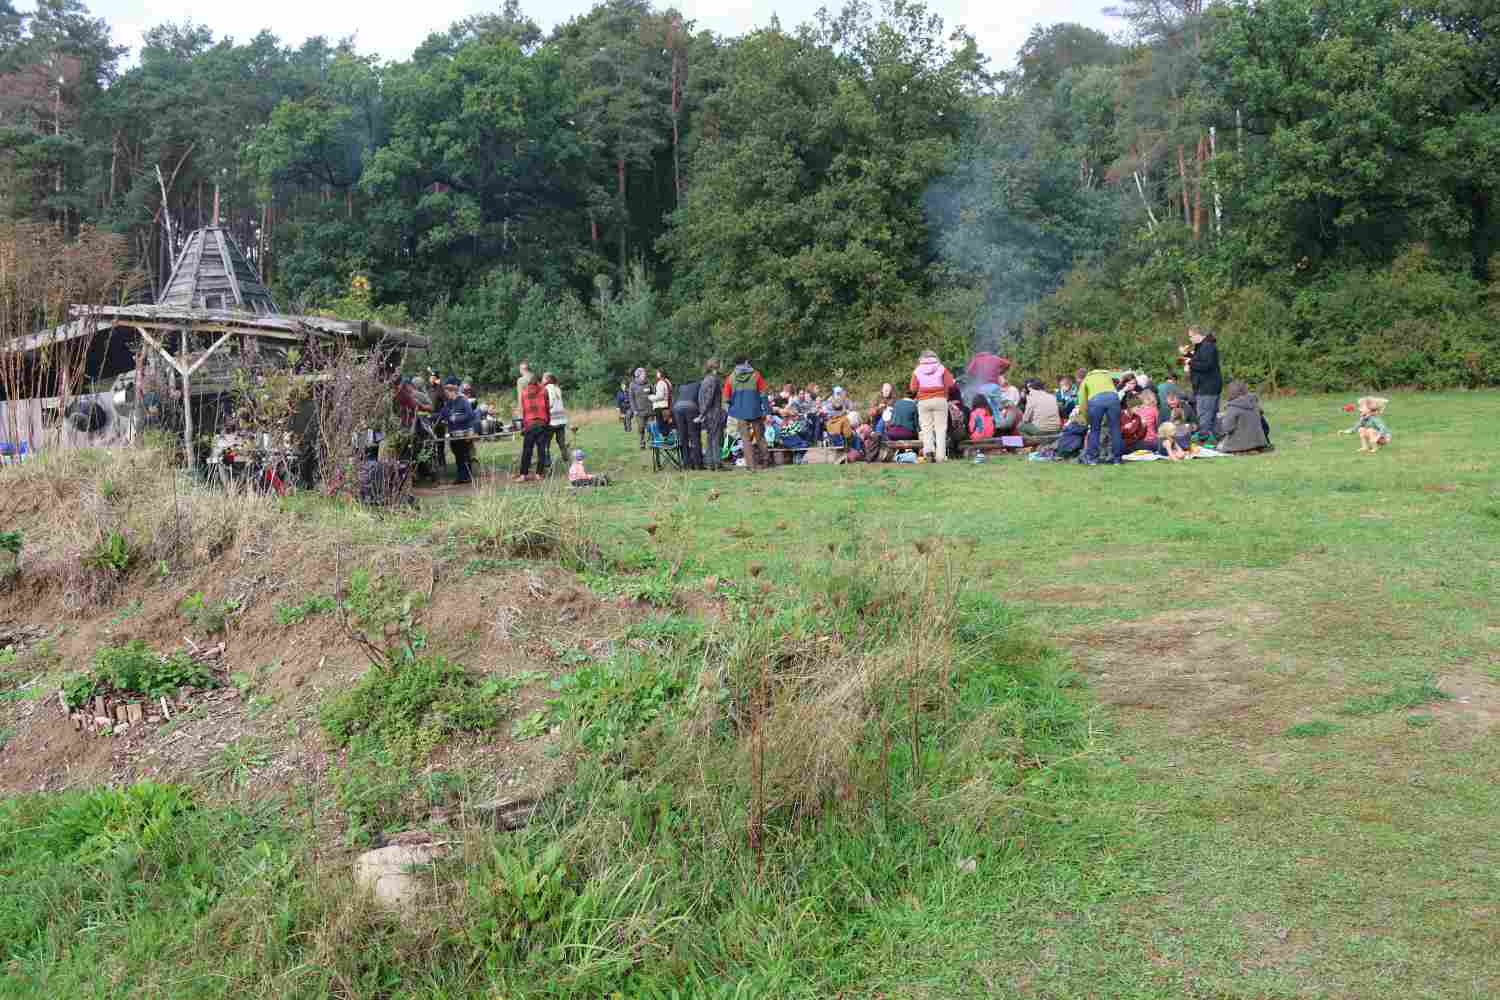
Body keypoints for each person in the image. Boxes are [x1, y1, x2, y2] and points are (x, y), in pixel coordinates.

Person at [910, 350, 956, 462]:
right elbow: (950, 384)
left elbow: (913, 388)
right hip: (940, 400)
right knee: (940, 429)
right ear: (935, 357)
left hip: (924, 401)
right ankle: (940, 456)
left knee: (926, 428)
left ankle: (928, 452)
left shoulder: (917, 370)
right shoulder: (941, 368)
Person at [725, 356, 768, 471]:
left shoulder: (731, 378)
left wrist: (732, 410)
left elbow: (726, 399)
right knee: (760, 437)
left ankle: (751, 465)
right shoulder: (756, 375)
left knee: (745, 439)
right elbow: (763, 394)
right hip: (755, 411)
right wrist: (767, 411)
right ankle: (765, 461)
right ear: (746, 362)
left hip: (740, 413)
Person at [1181, 327, 1223, 440]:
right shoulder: (1202, 346)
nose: (1190, 339)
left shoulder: (1207, 346)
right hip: (1206, 386)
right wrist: (1187, 354)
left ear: (1197, 334)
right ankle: (1219, 438)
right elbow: (1199, 359)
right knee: (1212, 416)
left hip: (1207, 387)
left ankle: (1203, 440)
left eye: (1190, 336)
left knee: (1204, 415)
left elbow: (1206, 365)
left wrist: (1190, 363)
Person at [436, 377, 479, 485]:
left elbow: (470, 415)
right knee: (457, 455)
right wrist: (433, 417)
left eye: (447, 393)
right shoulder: (449, 403)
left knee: (464, 454)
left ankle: (467, 476)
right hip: (453, 433)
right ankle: (460, 476)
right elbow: (442, 414)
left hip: (464, 432)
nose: (446, 395)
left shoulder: (463, 400)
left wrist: (456, 418)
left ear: (452, 391)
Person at [1077, 368, 1123, 465]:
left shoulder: (1086, 380)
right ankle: (1117, 459)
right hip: (1114, 398)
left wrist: (1084, 417)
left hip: (1096, 400)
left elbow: (1082, 402)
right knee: (1115, 429)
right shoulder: (1106, 376)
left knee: (1095, 430)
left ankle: (1092, 459)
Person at [515, 373, 551, 482]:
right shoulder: (544, 391)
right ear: (538, 382)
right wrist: (547, 422)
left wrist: (525, 426)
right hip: (542, 423)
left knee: (527, 450)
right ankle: (539, 474)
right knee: (541, 450)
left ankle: (523, 475)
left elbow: (524, 411)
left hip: (530, 424)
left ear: (529, 382)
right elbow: (547, 408)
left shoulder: (524, 393)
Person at [1217, 381, 1270, 453]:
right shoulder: (1254, 403)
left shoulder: (1232, 407)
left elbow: (1227, 428)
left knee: (1219, 445)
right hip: (1259, 443)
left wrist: (1223, 419)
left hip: (1239, 446)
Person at [698, 359, 726, 471]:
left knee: (711, 438)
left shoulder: (706, 379)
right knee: (715, 438)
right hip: (713, 413)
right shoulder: (713, 380)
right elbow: (709, 398)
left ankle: (710, 463)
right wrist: (703, 413)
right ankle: (716, 464)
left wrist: (703, 412)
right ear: (716, 367)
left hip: (709, 412)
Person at [672, 378, 703, 469]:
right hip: (691, 407)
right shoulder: (698, 385)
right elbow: (701, 399)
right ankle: (698, 463)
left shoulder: (681, 387)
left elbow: (675, 399)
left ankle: (686, 463)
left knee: (683, 437)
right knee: (694, 436)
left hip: (677, 408)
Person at [543, 372, 568, 470]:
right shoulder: (558, 388)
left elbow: (551, 401)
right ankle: (566, 459)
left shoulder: (547, 389)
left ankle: (547, 463)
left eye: (543, 378)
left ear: (547, 379)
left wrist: (546, 409)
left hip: (552, 420)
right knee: (562, 443)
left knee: (546, 443)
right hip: (561, 419)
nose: (542, 380)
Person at [630, 368, 654, 450]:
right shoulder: (632, 385)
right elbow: (631, 399)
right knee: (641, 428)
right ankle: (642, 443)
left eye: (645, 373)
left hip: (650, 410)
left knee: (651, 428)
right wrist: (634, 410)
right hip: (639, 411)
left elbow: (654, 393)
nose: (645, 375)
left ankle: (652, 443)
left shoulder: (649, 383)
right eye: (643, 374)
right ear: (638, 375)